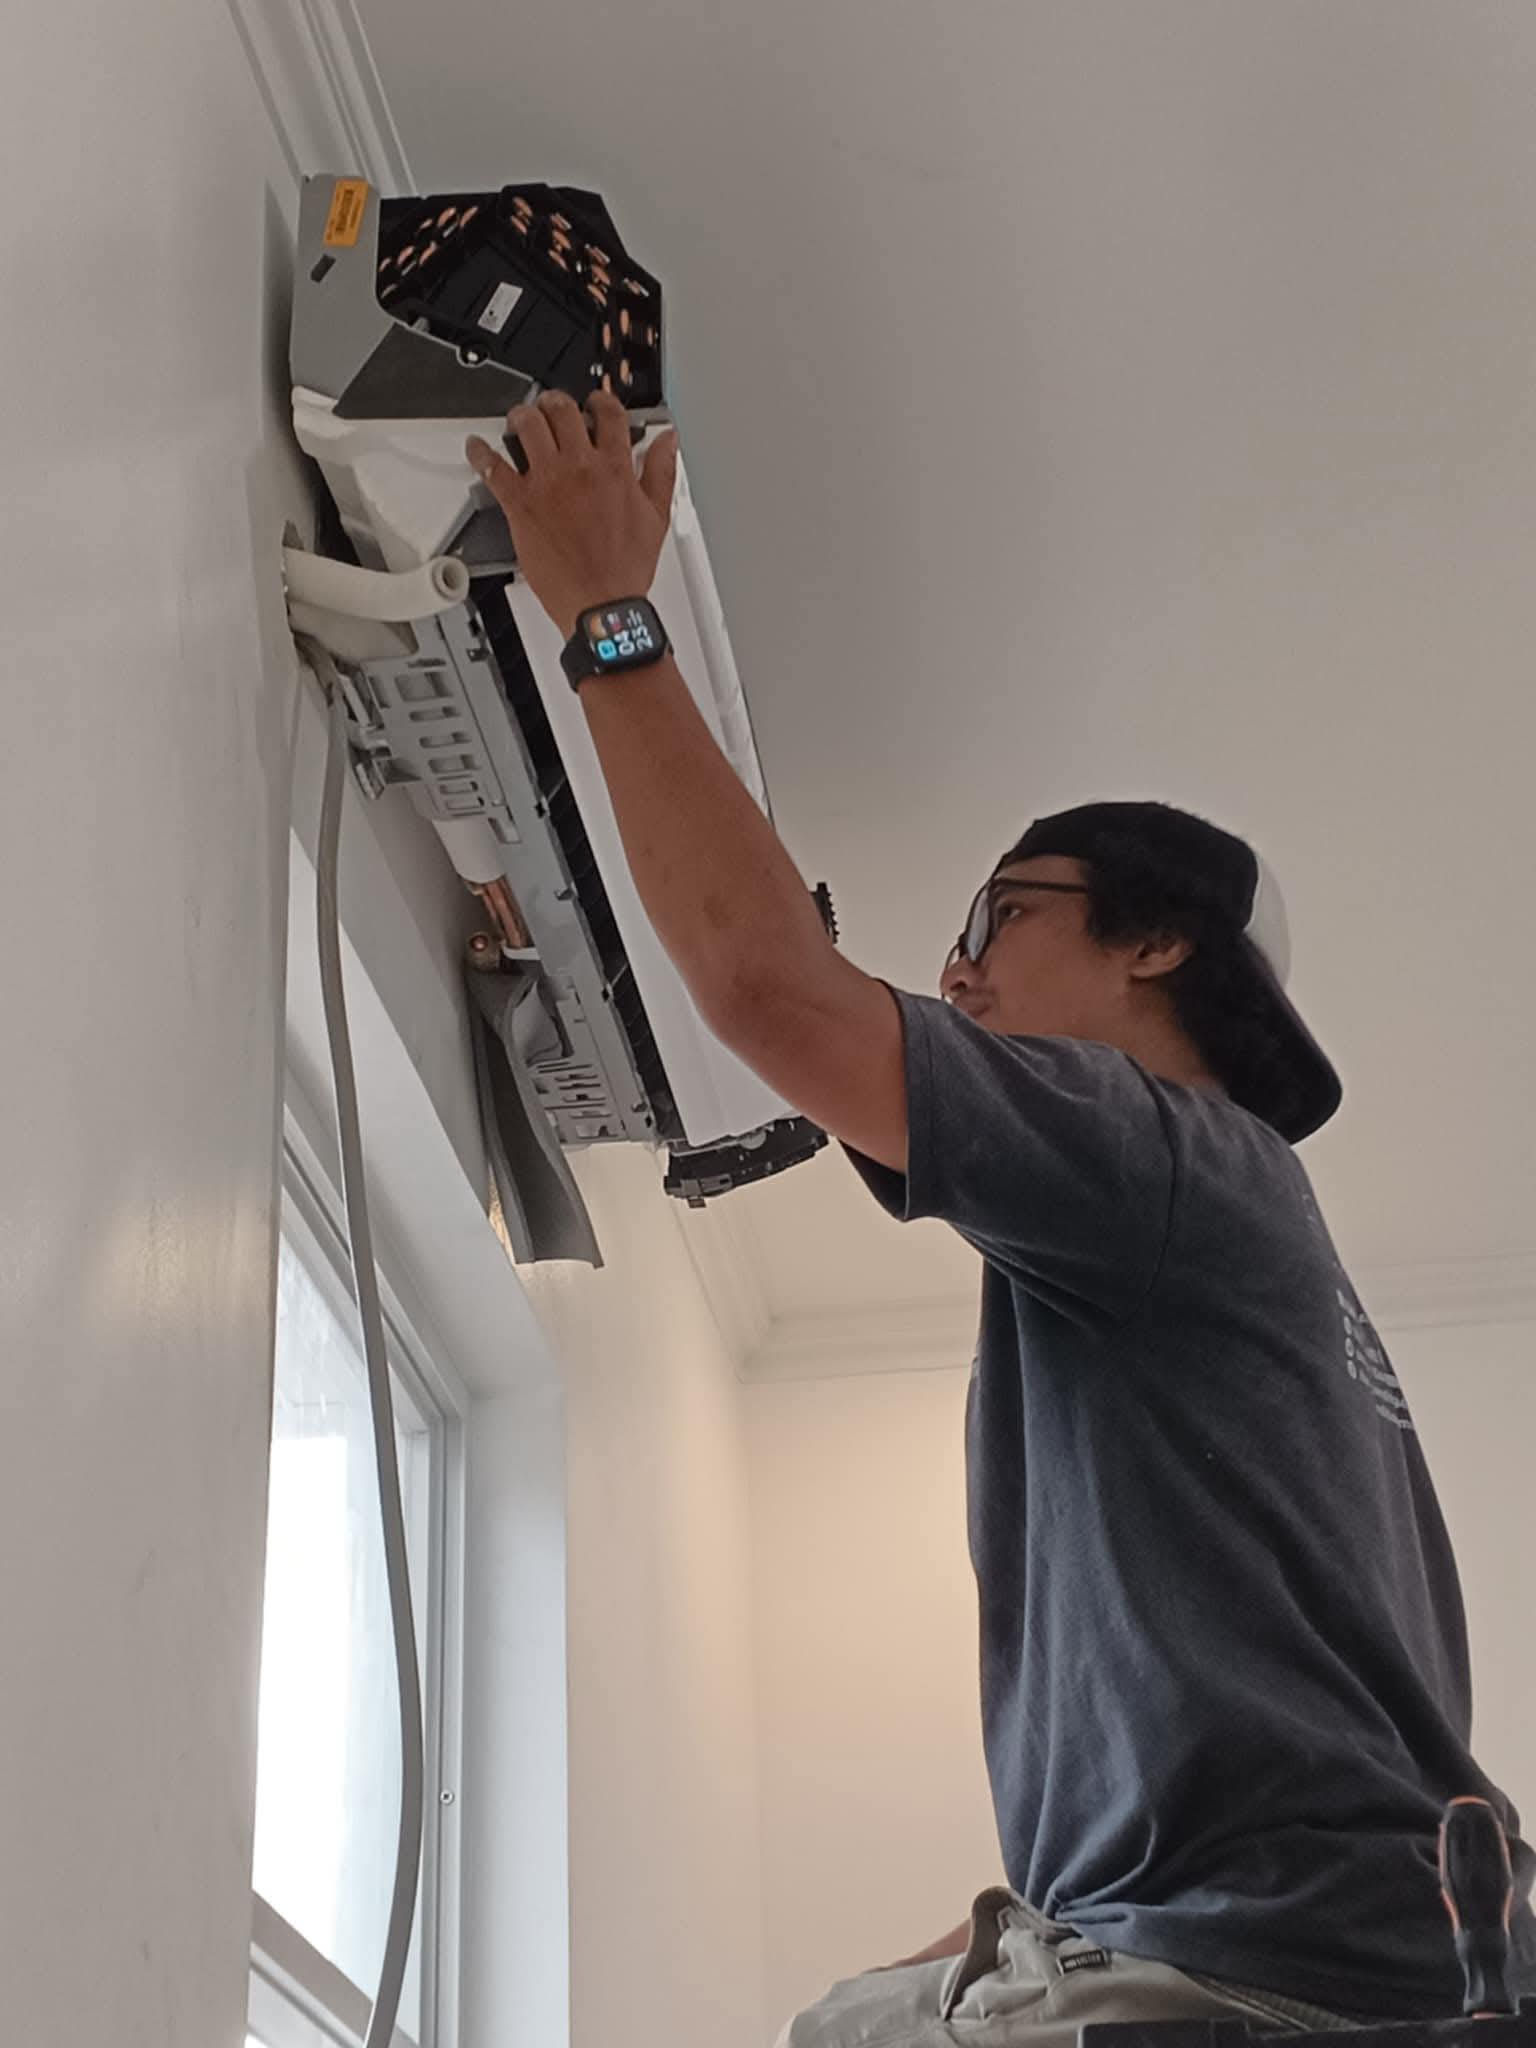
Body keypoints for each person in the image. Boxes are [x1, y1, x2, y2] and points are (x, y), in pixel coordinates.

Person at [465, 390, 1536, 2048]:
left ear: (1154, 943)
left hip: (1267, 1967)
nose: (955, 968)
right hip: (1338, 1955)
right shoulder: (1217, 1234)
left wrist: (608, 612)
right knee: (843, 2024)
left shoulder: (1168, 1161)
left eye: (996, 916)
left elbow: (773, 993)